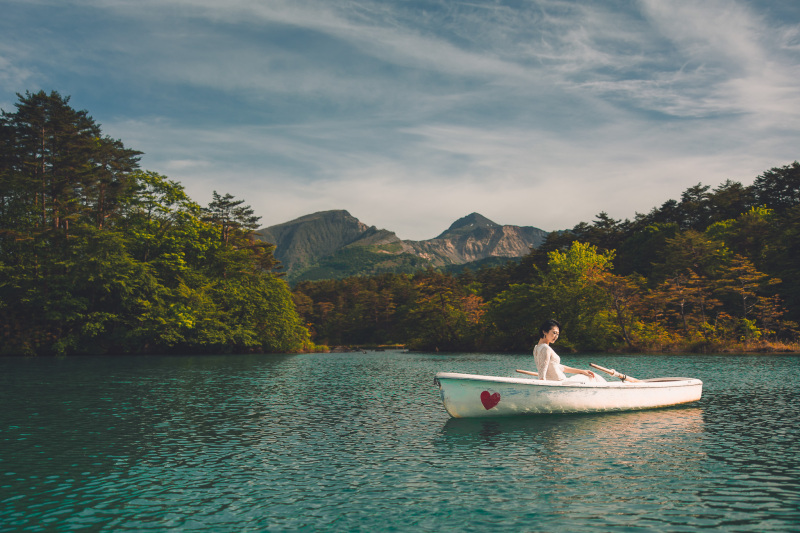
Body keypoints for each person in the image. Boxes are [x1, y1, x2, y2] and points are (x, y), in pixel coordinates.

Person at [533, 319, 601, 382]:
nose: (556, 336)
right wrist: (542, 383)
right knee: (594, 377)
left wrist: (582, 371)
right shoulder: (545, 348)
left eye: (557, 334)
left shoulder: (536, 348)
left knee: (589, 375)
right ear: (544, 331)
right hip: (560, 382)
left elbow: (558, 367)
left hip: (559, 382)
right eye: (554, 333)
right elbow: (542, 372)